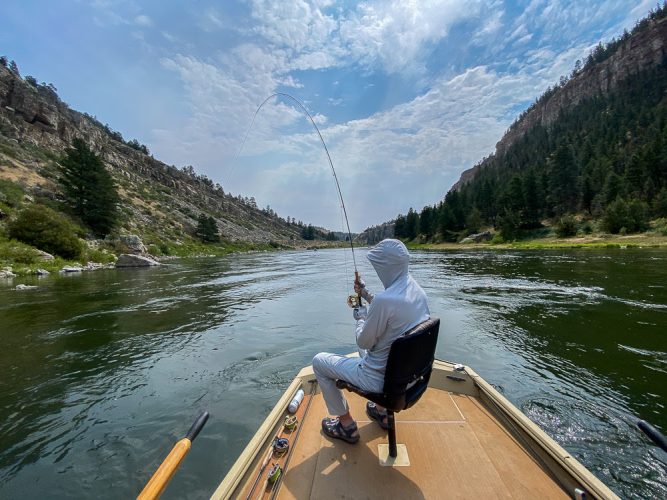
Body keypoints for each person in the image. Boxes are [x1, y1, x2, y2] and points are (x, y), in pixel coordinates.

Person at [312, 239, 430, 443]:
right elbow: (392, 309)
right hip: (409, 378)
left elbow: (363, 341)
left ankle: (346, 425)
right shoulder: (418, 292)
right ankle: (382, 411)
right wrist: (365, 294)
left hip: (378, 380)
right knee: (371, 351)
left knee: (319, 362)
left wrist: (360, 317)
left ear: (386, 267)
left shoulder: (385, 301)